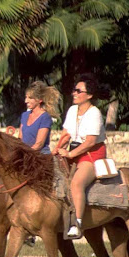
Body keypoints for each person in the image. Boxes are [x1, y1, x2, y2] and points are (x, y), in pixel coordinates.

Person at [51, 74, 107, 239]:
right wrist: (57, 148)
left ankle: (77, 223)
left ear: (89, 95)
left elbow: (90, 142)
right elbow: (67, 134)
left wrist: (69, 154)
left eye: (78, 90)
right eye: (74, 90)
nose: (74, 93)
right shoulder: (72, 110)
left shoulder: (94, 113)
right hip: (74, 153)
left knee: (76, 183)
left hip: (92, 155)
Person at [19, 81, 61, 154]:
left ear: (39, 100)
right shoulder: (24, 115)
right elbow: (20, 139)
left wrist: (26, 153)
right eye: (26, 97)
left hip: (40, 156)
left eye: (30, 98)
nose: (26, 101)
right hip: (25, 154)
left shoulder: (45, 117)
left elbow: (39, 144)